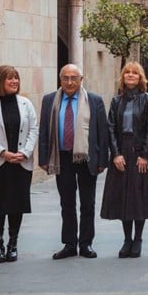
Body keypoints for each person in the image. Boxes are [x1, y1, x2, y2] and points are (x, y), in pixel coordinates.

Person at [39, 64, 109, 260]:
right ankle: (69, 244)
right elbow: (44, 130)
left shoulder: (94, 101)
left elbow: (102, 132)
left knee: (87, 203)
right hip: (61, 157)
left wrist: (103, 159)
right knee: (66, 203)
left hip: (86, 158)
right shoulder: (49, 100)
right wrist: (44, 158)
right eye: (65, 78)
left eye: (74, 78)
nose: (69, 82)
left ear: (81, 79)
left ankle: (86, 244)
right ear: (60, 79)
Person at [100, 62, 148, 258]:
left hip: (140, 152)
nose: (130, 75)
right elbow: (110, 127)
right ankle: (126, 239)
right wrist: (116, 154)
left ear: (140, 77)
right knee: (123, 196)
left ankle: (138, 239)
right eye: (127, 72)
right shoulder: (116, 101)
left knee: (138, 196)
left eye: (134, 73)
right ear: (122, 77)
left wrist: (144, 155)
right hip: (122, 152)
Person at [0, 65, 39, 263]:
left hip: (21, 162)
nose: (14, 82)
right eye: (10, 79)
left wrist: (24, 152)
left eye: (16, 78)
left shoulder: (25, 103)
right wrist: (3, 153)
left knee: (17, 204)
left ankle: (13, 243)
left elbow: (34, 130)